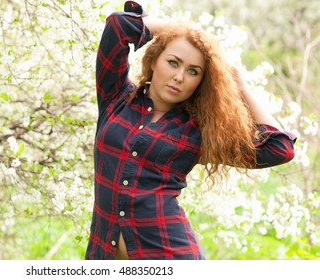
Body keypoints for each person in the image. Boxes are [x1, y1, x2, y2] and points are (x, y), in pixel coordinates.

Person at [85, 1, 296, 260]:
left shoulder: (198, 134)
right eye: (173, 62)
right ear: (154, 61)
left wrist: (239, 86)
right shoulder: (115, 97)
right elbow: (118, 26)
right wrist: (180, 31)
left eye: (193, 71)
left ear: (200, 82)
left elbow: (280, 148)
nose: (179, 77)